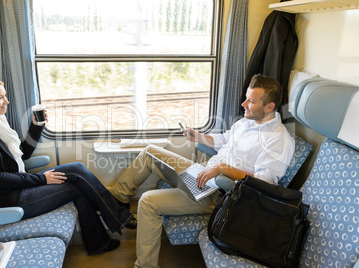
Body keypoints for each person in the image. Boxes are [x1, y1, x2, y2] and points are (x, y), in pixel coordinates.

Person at [109, 74, 295, 268]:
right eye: (246, 97)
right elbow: (224, 139)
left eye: (251, 101)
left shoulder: (278, 139)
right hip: (205, 174)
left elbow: (265, 182)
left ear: (270, 107)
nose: (243, 103)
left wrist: (222, 169)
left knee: (147, 202)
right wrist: (198, 136)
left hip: (221, 194)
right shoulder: (247, 122)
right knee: (149, 153)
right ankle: (114, 201)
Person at [0, 75, 137, 256]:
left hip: (17, 187)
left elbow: (21, 154)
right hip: (7, 199)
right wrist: (42, 179)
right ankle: (116, 220)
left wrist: (36, 127)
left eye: (4, 96)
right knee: (77, 184)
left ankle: (105, 235)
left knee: (77, 170)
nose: (6, 101)